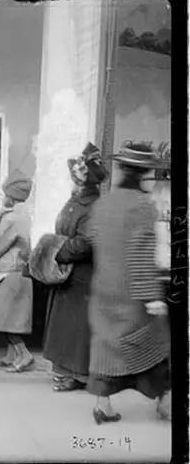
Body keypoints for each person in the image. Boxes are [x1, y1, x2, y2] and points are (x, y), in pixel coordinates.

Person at [87, 143, 171, 424]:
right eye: (152, 173)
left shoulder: (103, 204)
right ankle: (167, 402)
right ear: (143, 174)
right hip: (132, 295)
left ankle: (103, 407)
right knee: (155, 348)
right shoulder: (143, 207)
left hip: (103, 290)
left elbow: (93, 240)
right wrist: (152, 297)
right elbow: (141, 253)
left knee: (105, 351)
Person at [42, 142, 108, 392]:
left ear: (84, 182)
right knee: (66, 325)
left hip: (83, 274)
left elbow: (86, 242)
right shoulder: (75, 201)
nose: (71, 179)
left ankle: (77, 375)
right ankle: (65, 371)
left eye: (75, 176)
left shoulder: (94, 207)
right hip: (68, 273)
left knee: (77, 327)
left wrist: (58, 252)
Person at [0, 170, 35, 372]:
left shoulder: (12, 219)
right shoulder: (24, 215)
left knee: (6, 318)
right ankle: (10, 355)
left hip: (8, 273)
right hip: (19, 272)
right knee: (11, 318)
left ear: (11, 196)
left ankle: (24, 355)